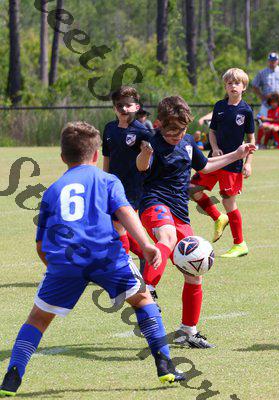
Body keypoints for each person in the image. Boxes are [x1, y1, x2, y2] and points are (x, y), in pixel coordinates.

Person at [0, 122, 185, 397]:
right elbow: (126, 212)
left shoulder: (53, 190)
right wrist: (146, 244)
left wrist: (57, 269)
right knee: (143, 299)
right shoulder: (108, 180)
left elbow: (41, 244)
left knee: (37, 319)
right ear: (97, 154)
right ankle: (165, 365)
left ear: (62, 157)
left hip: (65, 261)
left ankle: (12, 377)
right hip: (106, 256)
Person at [136, 95, 255, 348]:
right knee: (167, 237)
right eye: (171, 131)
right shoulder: (152, 142)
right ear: (160, 124)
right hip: (154, 203)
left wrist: (237, 154)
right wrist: (145, 154)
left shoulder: (188, 142)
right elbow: (141, 166)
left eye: (181, 130)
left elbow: (206, 166)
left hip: (180, 211)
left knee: (194, 269)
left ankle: (187, 332)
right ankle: (147, 288)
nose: (176, 136)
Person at [190, 68, 256, 258]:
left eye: (237, 83)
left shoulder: (246, 111)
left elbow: (251, 139)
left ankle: (240, 244)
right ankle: (218, 217)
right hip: (214, 160)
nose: (233, 86)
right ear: (225, 86)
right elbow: (212, 132)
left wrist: (248, 163)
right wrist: (215, 147)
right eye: (229, 83)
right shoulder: (219, 106)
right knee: (192, 189)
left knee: (228, 201)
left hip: (233, 164)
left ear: (244, 87)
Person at [102, 87, 153, 260]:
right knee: (117, 226)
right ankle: (146, 254)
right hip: (112, 185)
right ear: (114, 108)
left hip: (132, 187)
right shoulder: (109, 128)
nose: (124, 109)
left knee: (118, 225)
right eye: (119, 105)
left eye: (128, 105)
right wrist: (104, 181)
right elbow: (107, 157)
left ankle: (122, 263)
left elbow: (146, 164)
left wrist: (146, 153)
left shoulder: (143, 132)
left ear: (136, 107)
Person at [251, 52, 279, 118]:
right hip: (267, 103)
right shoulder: (262, 73)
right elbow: (254, 85)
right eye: (271, 60)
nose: (273, 62)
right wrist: (260, 95)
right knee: (263, 121)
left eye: (275, 60)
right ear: (268, 61)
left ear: (278, 61)